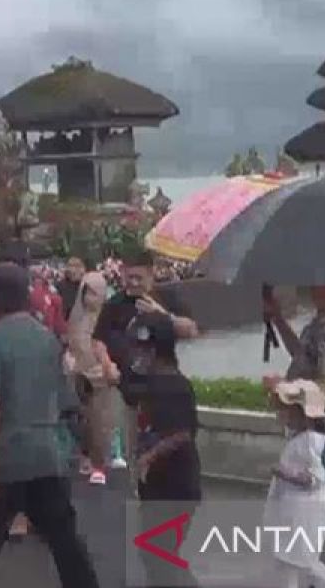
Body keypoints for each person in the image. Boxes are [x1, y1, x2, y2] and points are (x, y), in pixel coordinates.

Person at [0, 263, 100, 588]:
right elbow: (65, 400)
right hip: (49, 458)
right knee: (67, 547)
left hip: (6, 460)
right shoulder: (47, 339)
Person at [95, 250, 199, 466]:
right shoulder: (116, 304)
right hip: (128, 387)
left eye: (138, 278)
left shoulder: (167, 298)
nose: (133, 283)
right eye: (128, 277)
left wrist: (161, 314)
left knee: (164, 448)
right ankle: (137, 485)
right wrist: (106, 363)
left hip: (162, 388)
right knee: (133, 448)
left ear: (151, 275)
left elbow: (191, 331)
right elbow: (99, 339)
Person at [123, 314, 202, 588]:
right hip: (159, 487)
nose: (135, 354)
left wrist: (148, 457)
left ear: (153, 349)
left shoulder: (173, 385)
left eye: (139, 348)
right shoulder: (153, 382)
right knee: (156, 554)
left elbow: (182, 433)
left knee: (159, 555)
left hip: (176, 488)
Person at [264, 379, 325, 588]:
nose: (281, 414)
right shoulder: (301, 437)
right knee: (293, 561)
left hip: (302, 512)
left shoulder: (311, 441)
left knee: (298, 562)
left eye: (287, 410)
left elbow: (316, 477)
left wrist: (284, 473)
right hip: (294, 510)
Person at [66, 271, 120, 485]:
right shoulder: (77, 318)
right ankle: (86, 457)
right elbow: (71, 343)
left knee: (102, 420)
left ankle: (102, 463)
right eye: (86, 293)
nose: (90, 298)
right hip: (80, 375)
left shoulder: (109, 318)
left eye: (95, 293)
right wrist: (70, 359)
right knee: (83, 419)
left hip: (102, 376)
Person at [267, 286, 325, 383]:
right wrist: (277, 318)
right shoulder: (322, 320)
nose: (313, 292)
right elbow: (301, 354)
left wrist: (285, 385)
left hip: (320, 393)